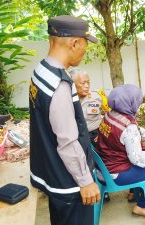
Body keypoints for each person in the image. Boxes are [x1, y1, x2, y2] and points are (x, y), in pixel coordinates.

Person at [29, 15, 100, 225]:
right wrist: (86, 181)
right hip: (69, 183)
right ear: (74, 43)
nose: (84, 53)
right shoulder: (59, 84)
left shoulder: (40, 71)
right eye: (84, 47)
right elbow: (67, 140)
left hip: (52, 173)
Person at [96, 84, 145, 217]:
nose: (138, 105)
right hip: (115, 175)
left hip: (102, 168)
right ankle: (142, 207)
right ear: (131, 103)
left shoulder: (110, 115)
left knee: (138, 159)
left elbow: (134, 133)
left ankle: (133, 193)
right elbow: (137, 159)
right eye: (138, 102)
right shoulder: (129, 126)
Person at [70, 67, 103, 143]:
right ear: (72, 84)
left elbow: (107, 114)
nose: (87, 86)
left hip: (93, 135)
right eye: (83, 83)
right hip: (75, 136)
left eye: (88, 82)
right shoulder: (67, 98)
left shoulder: (94, 98)